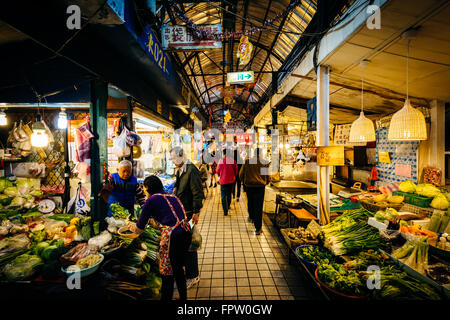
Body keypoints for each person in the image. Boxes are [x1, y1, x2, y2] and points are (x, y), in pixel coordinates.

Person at [129, 175, 191, 301]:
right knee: (178, 269)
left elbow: (139, 229)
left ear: (147, 188)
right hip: (186, 233)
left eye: (144, 189)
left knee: (167, 273)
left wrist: (130, 226)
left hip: (173, 238)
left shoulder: (151, 200)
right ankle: (183, 299)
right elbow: (171, 215)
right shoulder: (172, 196)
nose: (144, 192)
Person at [170, 146, 204, 289]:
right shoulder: (181, 170)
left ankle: (193, 276)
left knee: (190, 245)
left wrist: (196, 212)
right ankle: (188, 271)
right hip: (182, 213)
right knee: (184, 244)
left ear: (181, 155)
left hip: (189, 213)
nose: (172, 161)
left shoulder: (191, 170)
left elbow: (198, 192)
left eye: (173, 158)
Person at [239, 148, 270, 235]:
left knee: (250, 202)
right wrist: (266, 182)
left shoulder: (248, 162)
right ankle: (258, 228)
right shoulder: (264, 163)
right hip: (260, 187)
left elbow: (241, 174)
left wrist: (244, 182)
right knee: (259, 206)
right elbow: (267, 175)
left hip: (249, 186)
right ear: (260, 154)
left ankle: (251, 216)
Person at [216, 148, 237, 216]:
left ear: (224, 154)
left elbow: (217, 171)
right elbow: (236, 171)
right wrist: (233, 175)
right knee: (229, 194)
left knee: (223, 196)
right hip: (231, 181)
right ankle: (228, 206)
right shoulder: (233, 161)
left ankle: (225, 211)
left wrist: (220, 175)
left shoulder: (221, 161)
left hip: (223, 181)